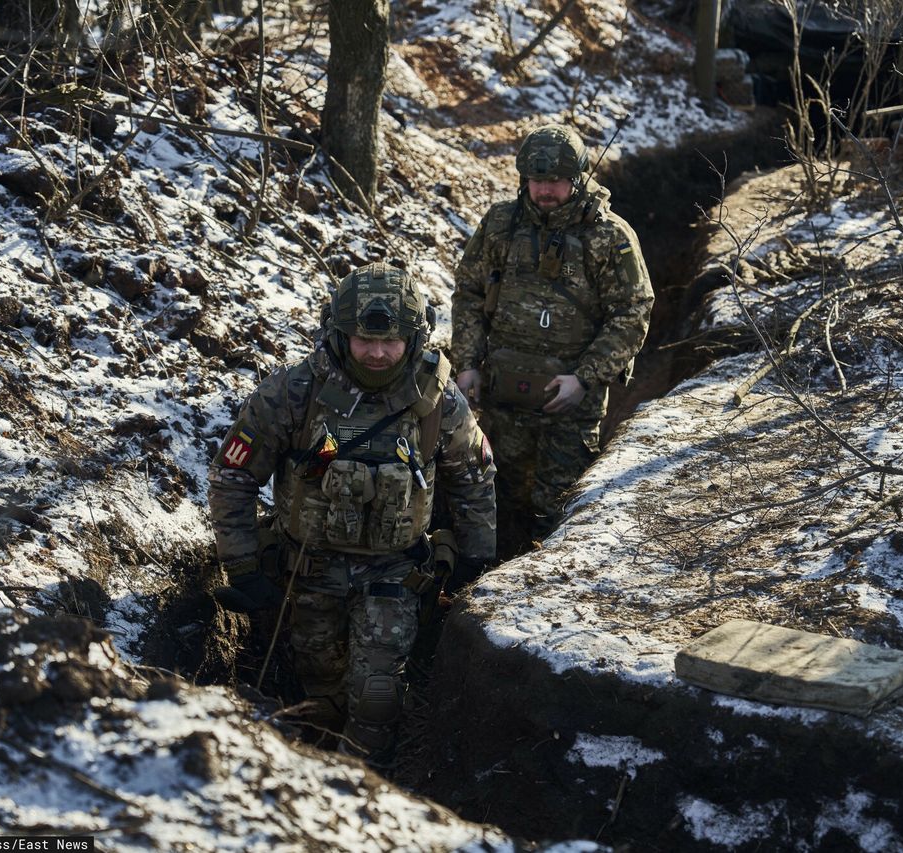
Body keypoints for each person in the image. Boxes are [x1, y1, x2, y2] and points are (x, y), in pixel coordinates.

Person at [208, 262, 496, 766]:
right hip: (308, 571)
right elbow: (233, 477)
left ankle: (369, 791)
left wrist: (476, 562)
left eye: (392, 342)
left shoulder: (437, 401)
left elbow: (473, 481)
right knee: (320, 690)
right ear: (339, 334)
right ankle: (317, 780)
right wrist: (243, 566)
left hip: (395, 574)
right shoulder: (294, 394)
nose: (379, 354)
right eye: (364, 341)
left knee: (377, 695)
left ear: (414, 336)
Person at [451, 123, 653, 556]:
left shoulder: (609, 236)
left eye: (555, 181)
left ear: (576, 178)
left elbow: (633, 313)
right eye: (537, 180)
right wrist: (467, 363)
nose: (545, 190)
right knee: (497, 496)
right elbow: (468, 292)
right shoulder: (500, 226)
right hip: (503, 394)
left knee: (557, 506)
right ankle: (484, 588)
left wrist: (583, 377)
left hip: (569, 403)